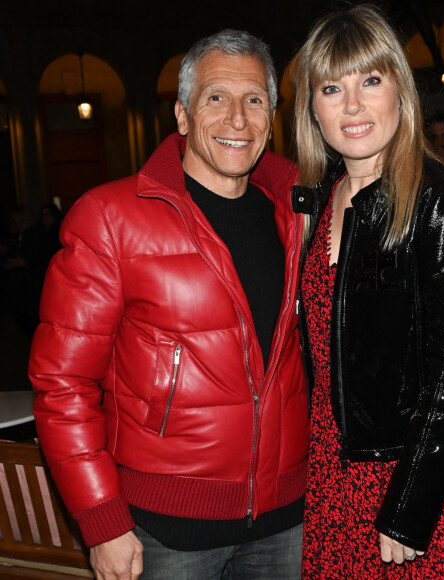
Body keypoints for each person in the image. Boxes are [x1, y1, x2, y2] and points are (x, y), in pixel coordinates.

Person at [29, 29, 309, 580]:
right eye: (215, 98)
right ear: (181, 115)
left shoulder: (299, 209)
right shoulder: (109, 218)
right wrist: (103, 520)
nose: (237, 119)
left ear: (272, 116)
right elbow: (63, 384)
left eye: (254, 100)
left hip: (285, 523)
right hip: (166, 532)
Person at [291, 5, 444, 578]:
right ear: (312, 108)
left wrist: (410, 508)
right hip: (335, 475)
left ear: (400, 91)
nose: (354, 106)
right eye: (332, 87)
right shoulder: (321, 199)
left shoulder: (441, 201)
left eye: (371, 79)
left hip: (419, 482)